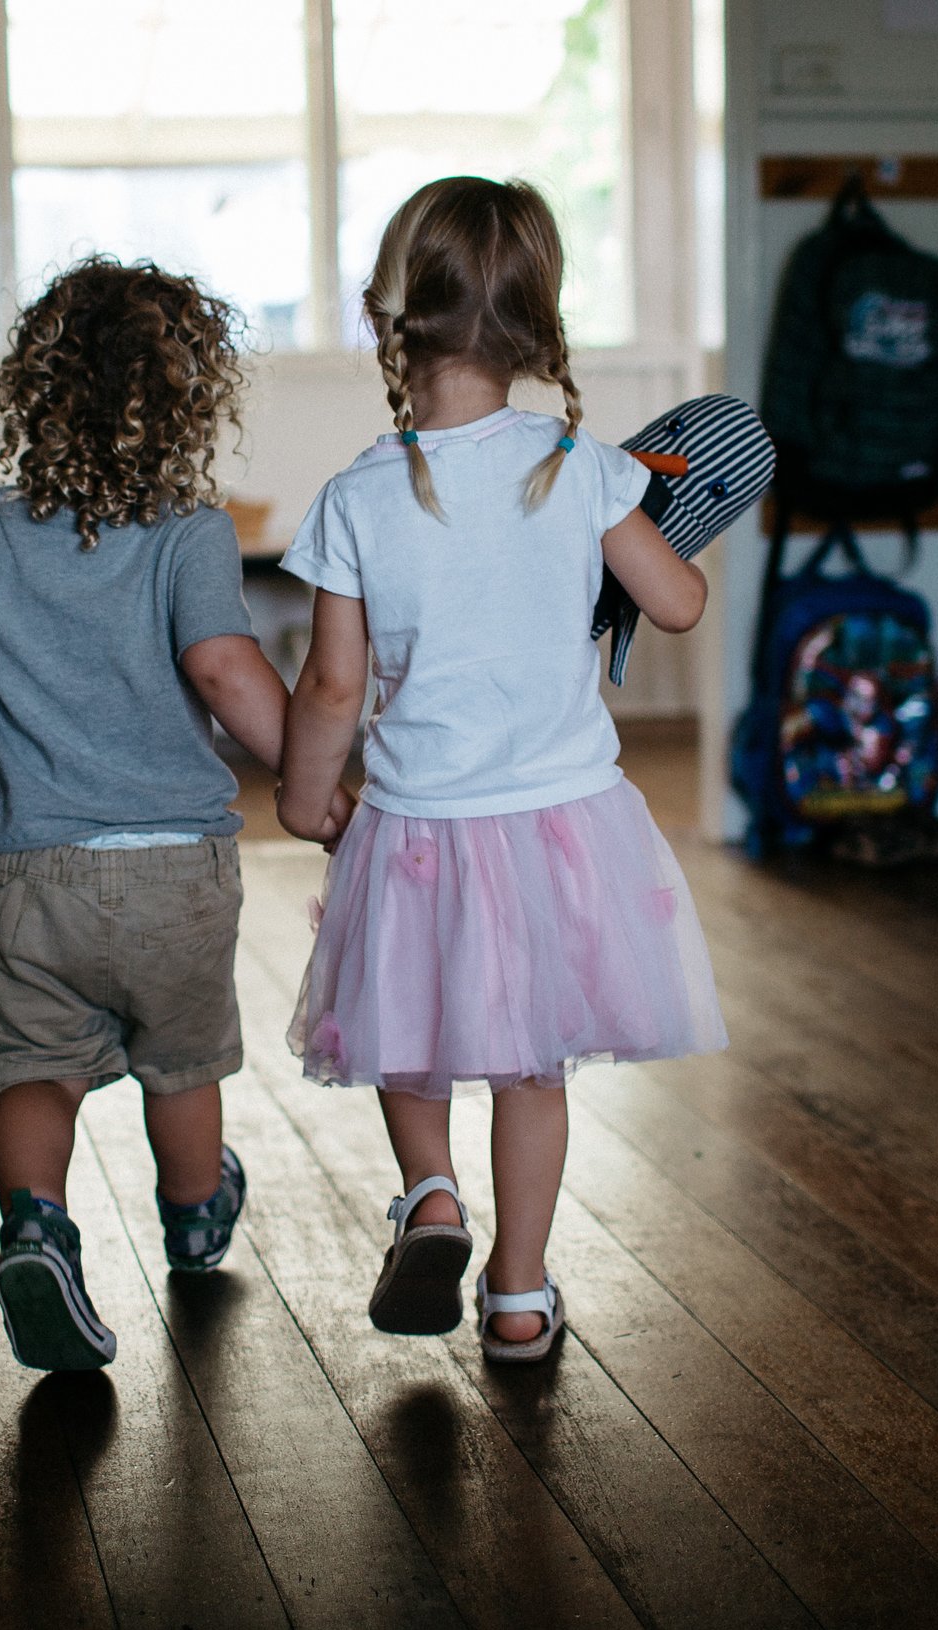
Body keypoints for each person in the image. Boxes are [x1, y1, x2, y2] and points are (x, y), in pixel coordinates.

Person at [276, 177, 727, 1365]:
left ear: (390, 320)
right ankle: (520, 1295)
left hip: (417, 820)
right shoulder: (578, 467)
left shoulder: (356, 498)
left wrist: (297, 793)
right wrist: (647, 508)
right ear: (536, 327)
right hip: (560, 825)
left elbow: (330, 686)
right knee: (532, 1066)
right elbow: (676, 603)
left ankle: (429, 1193)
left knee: (404, 1031)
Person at [0, 257, 299, 1373]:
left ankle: (35, 1227)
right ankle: (198, 1212)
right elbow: (220, 667)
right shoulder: (190, 531)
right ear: (186, 402)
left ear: (31, 392)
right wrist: (319, 762)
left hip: (33, 875)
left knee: (33, 1067)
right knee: (182, 1063)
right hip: (174, 870)